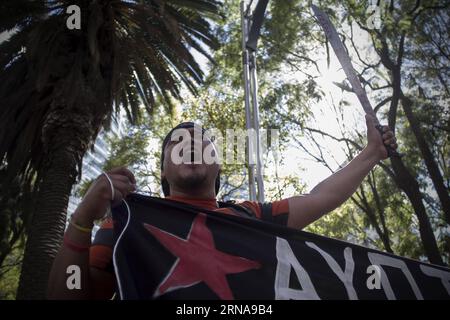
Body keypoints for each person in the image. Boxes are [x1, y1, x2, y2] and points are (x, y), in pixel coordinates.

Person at [47, 115, 397, 299]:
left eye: (202, 141)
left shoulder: (251, 218)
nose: (191, 145)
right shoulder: (126, 226)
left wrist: (371, 154)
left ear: (219, 166)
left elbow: (322, 197)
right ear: (163, 171)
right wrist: (80, 220)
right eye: (177, 143)